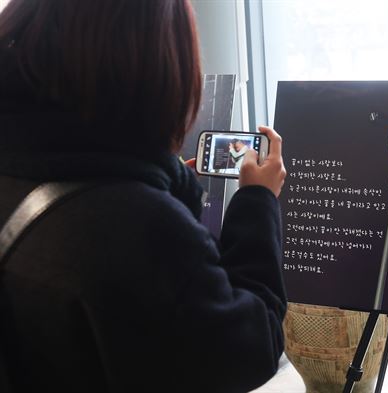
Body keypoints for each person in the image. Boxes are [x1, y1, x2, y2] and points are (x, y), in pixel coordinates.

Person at [0, 1, 287, 392]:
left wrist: (156, 189)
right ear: (157, 69)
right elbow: (249, 350)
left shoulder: (22, 172)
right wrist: (257, 201)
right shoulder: (137, 226)